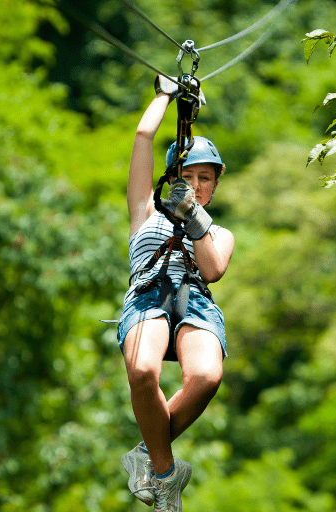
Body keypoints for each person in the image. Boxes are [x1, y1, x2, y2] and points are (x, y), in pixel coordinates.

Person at [117, 76, 235, 512]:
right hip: (149, 294)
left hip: (196, 300)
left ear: (216, 186)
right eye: (188, 176)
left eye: (206, 178)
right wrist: (166, 95)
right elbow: (144, 135)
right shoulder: (144, 210)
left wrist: (194, 217)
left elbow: (214, 268)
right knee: (144, 372)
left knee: (206, 377)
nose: (198, 184)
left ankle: (147, 454)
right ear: (171, 178)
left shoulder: (220, 231)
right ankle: (166, 476)